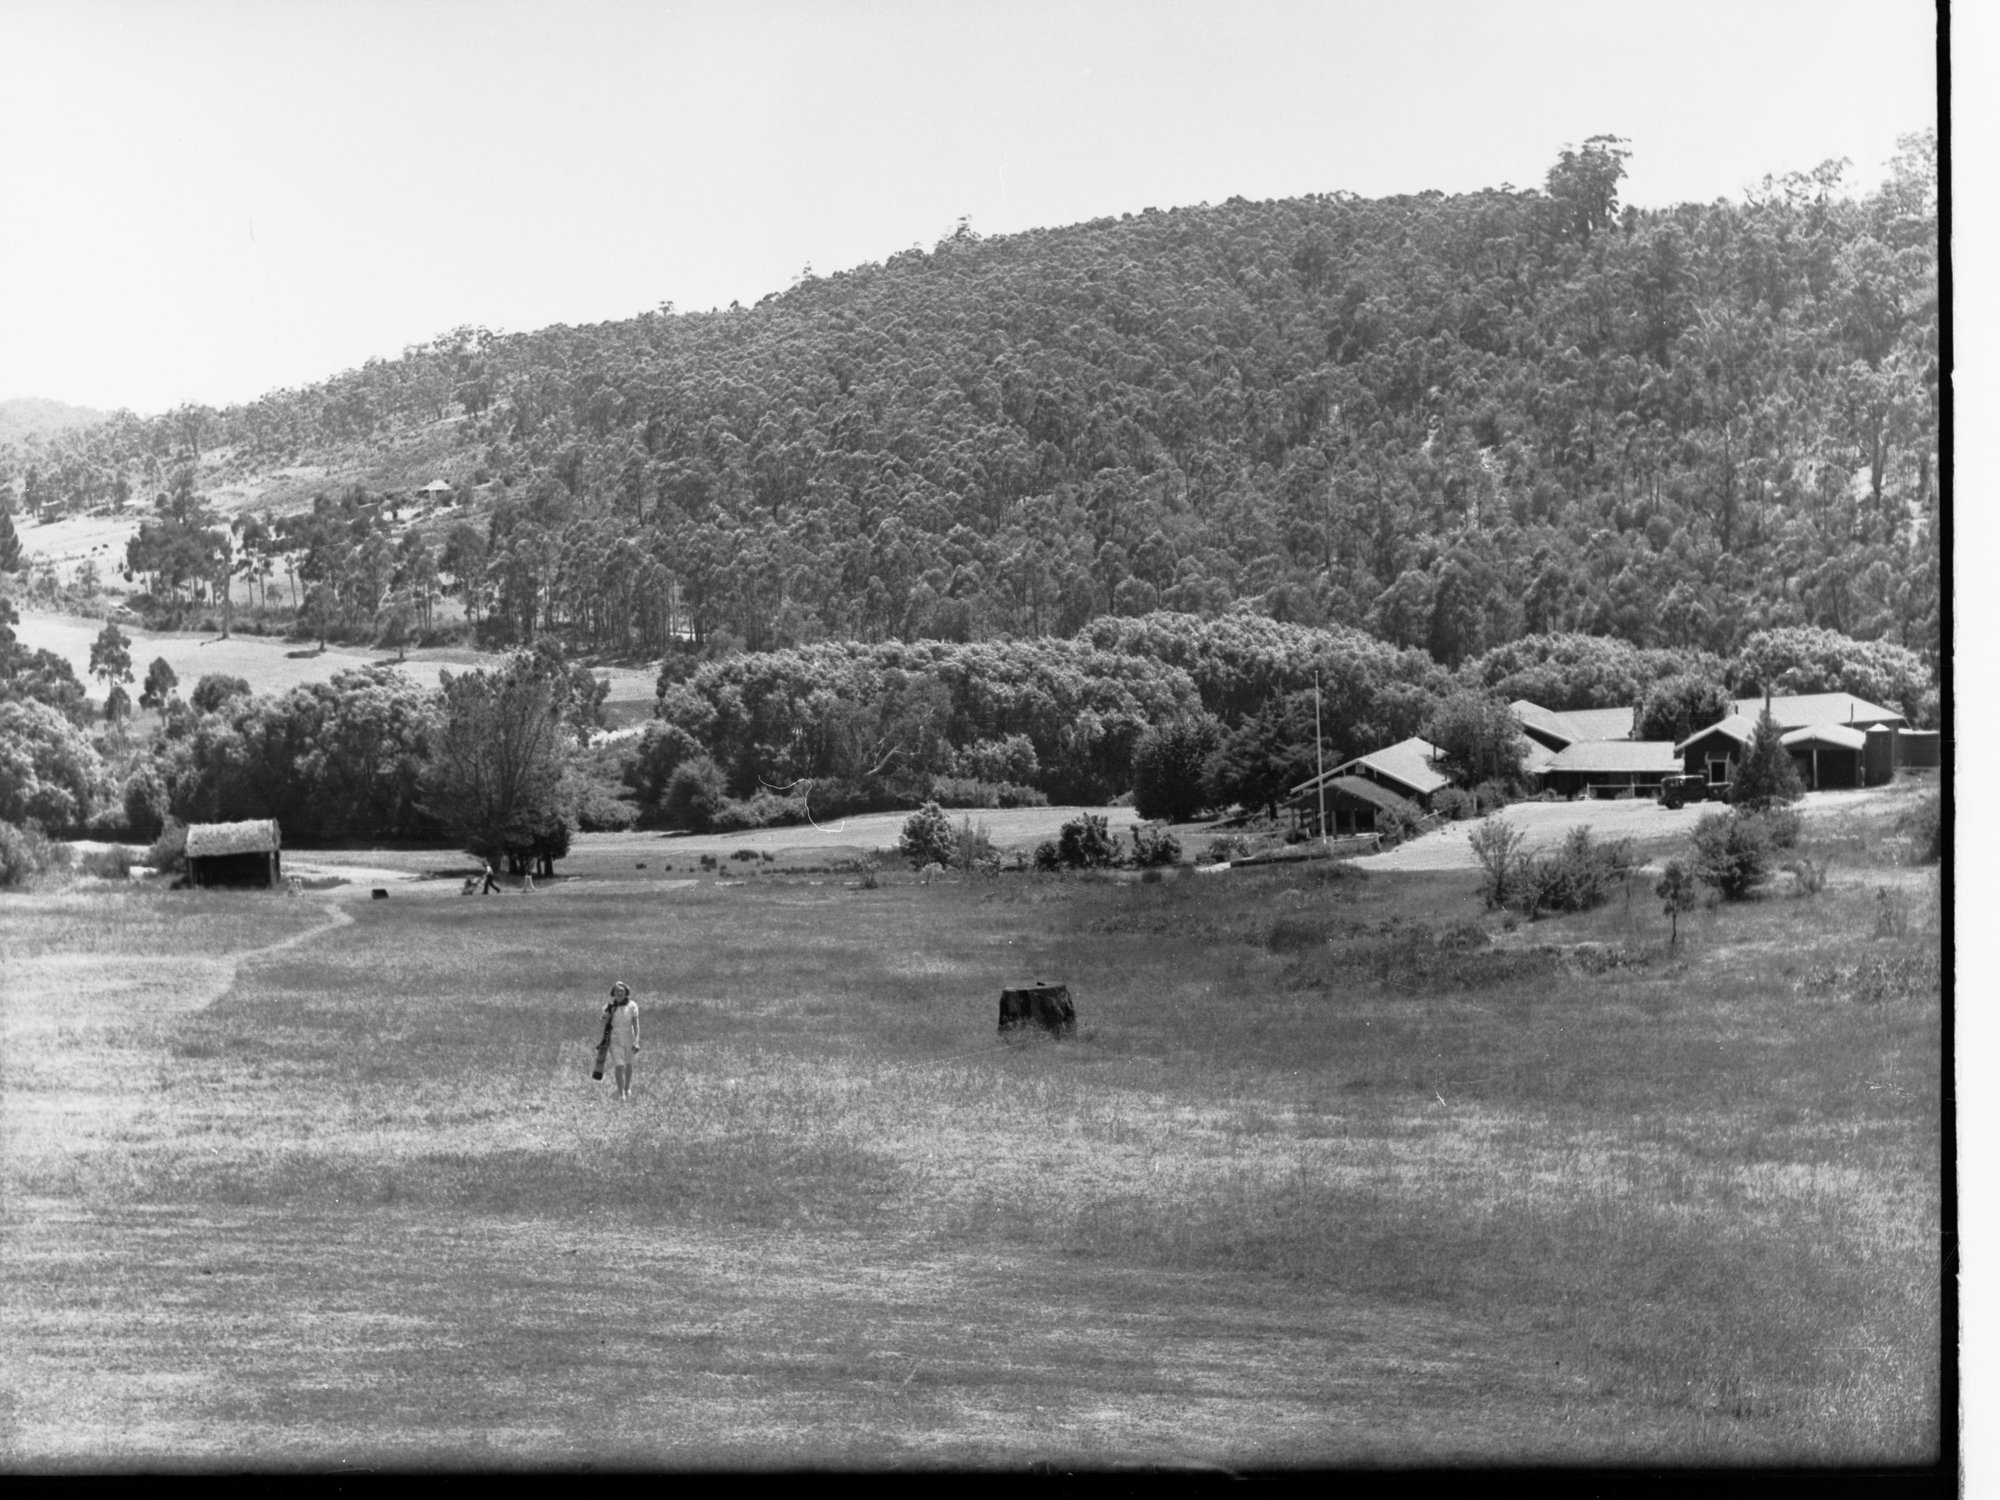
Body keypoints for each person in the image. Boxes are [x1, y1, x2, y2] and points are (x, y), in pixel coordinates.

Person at [602, 982, 640, 1101]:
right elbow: (604, 1023)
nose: (619, 993)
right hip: (615, 1039)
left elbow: (636, 1024)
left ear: (626, 992)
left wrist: (637, 1041)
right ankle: (621, 1093)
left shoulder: (632, 1006)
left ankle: (627, 1086)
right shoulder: (608, 1007)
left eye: (621, 991)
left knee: (629, 1065)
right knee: (619, 1066)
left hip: (629, 1037)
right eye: (617, 991)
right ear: (613, 993)